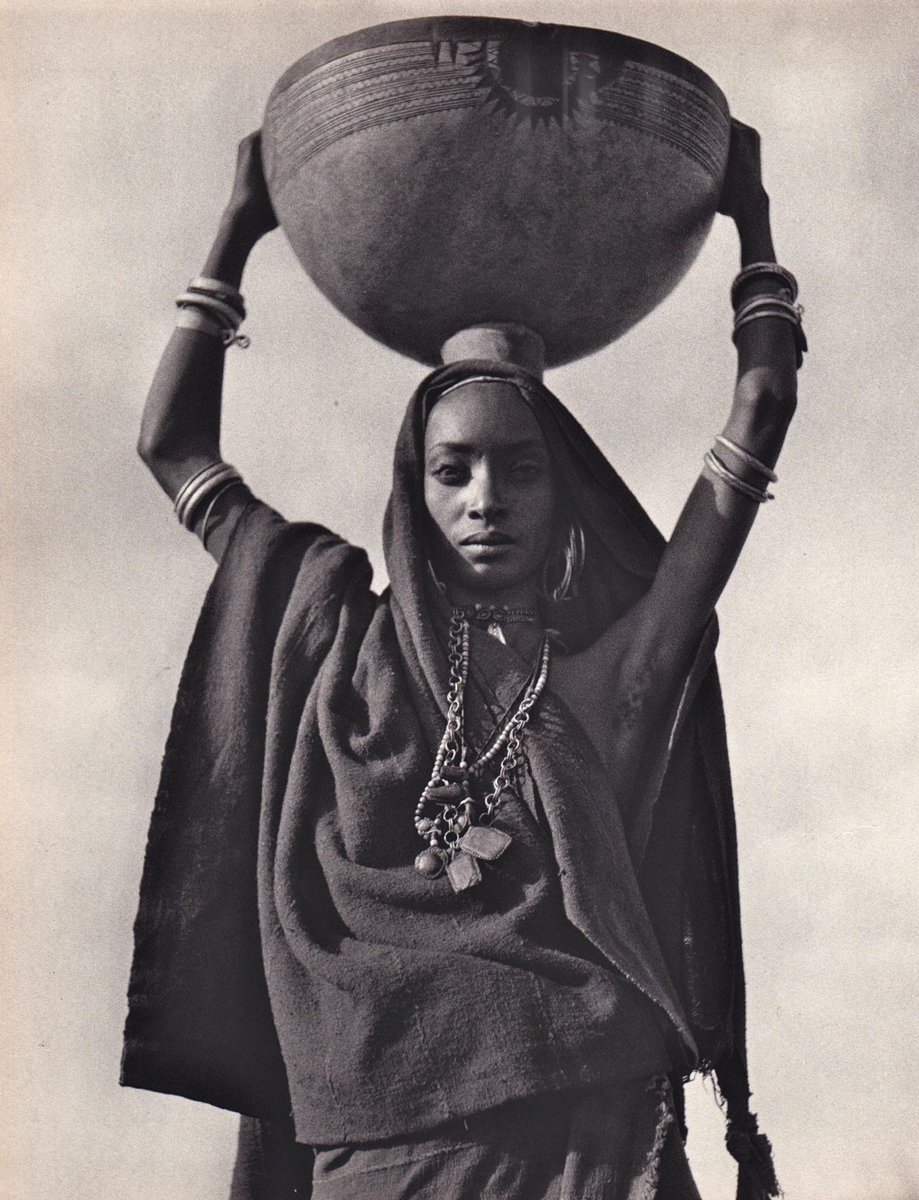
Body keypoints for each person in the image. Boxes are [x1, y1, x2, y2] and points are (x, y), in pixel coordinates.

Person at [123, 121, 804, 1200]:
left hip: (584, 1152)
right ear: (415, 489)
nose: (487, 500)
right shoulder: (328, 633)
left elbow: (762, 408)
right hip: (375, 1159)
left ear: (560, 487)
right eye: (455, 471)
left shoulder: (612, 676)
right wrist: (237, 227)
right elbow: (171, 448)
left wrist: (752, 226)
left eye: (520, 470)